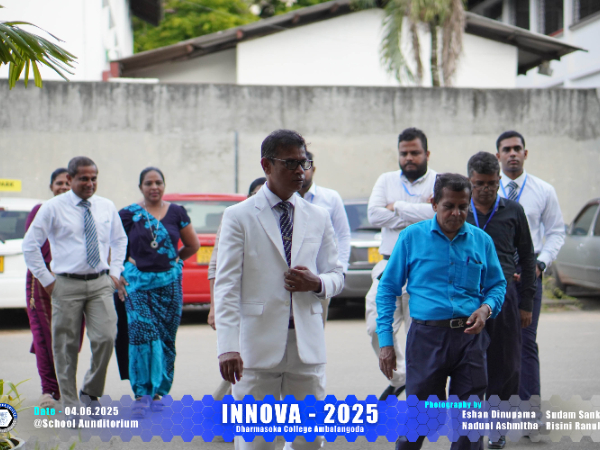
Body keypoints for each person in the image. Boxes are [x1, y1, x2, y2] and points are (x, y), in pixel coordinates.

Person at [215, 129, 344, 450]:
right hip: (255, 349)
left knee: (309, 440)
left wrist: (317, 283)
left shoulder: (318, 216)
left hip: (306, 346)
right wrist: (228, 347)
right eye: (290, 163)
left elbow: (336, 274)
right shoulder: (238, 216)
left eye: (304, 162)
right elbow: (227, 285)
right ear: (266, 165)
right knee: (258, 442)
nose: (300, 170)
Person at [377, 173, 506, 450]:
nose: (456, 213)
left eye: (463, 206)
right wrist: (386, 342)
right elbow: (387, 289)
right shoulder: (411, 237)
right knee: (422, 419)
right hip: (426, 339)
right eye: (449, 206)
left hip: (470, 340)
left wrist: (486, 309)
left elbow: (497, 285)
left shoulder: (481, 241)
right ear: (434, 203)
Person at [22, 157, 128, 417]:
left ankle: (90, 392)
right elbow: (30, 245)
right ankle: (70, 403)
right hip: (66, 284)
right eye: (84, 179)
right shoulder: (53, 208)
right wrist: (47, 281)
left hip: (100, 283)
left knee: (106, 338)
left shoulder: (106, 206)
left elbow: (119, 239)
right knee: (66, 347)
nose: (90, 183)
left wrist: (115, 273)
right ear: (70, 180)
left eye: (94, 178)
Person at [114, 167, 200, 415]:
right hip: (137, 285)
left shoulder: (177, 212)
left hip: (169, 285)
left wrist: (174, 261)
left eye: (158, 182)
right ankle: (142, 394)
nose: (154, 187)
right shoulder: (128, 214)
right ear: (140, 187)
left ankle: (159, 392)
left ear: (164, 185)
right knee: (142, 336)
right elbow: (113, 246)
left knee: (165, 339)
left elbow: (192, 245)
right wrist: (119, 271)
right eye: (149, 183)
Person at [466, 152, 536, 449]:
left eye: (492, 183)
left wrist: (526, 302)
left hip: (504, 296)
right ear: (469, 181)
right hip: (468, 298)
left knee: (507, 365)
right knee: (468, 365)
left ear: (499, 181)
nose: (486, 189)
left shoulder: (513, 210)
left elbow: (527, 256)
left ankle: (497, 428)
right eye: (479, 183)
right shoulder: (460, 211)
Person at [366, 127, 437, 400]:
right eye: (404, 153)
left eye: (415, 152)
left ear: (426, 153)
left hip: (423, 271)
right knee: (376, 328)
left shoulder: (439, 181)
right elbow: (374, 215)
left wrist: (396, 206)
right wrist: (422, 214)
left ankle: (417, 392)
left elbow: (439, 217)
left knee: (418, 336)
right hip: (387, 267)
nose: (409, 157)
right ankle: (401, 379)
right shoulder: (386, 180)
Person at [495, 131, 566, 402]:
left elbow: (556, 232)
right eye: (507, 149)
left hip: (529, 271)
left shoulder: (544, 190)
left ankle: (530, 411)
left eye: (517, 148)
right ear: (498, 155)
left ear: (525, 153)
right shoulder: (487, 189)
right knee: (494, 342)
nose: (512, 153)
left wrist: (540, 264)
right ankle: (498, 409)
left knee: (525, 341)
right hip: (496, 272)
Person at [24, 168, 84, 409]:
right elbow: (32, 246)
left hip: (74, 282)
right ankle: (49, 389)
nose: (64, 187)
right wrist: (47, 278)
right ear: (51, 187)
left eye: (68, 183)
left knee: (71, 337)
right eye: (59, 183)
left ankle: (66, 385)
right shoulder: (41, 211)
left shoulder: (83, 212)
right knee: (43, 335)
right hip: (41, 283)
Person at [206, 176, 266, 402]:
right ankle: (222, 408)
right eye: (255, 194)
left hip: (271, 306)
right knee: (243, 360)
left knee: (255, 362)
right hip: (241, 304)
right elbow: (216, 267)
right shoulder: (235, 218)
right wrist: (214, 307)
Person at [299, 150, 351, 324]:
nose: (301, 171)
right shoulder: (286, 200)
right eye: (296, 165)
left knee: (316, 329)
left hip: (320, 277)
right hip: (292, 277)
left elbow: (343, 234)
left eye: (305, 166)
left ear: (313, 169)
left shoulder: (330, 198)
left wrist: (342, 269)